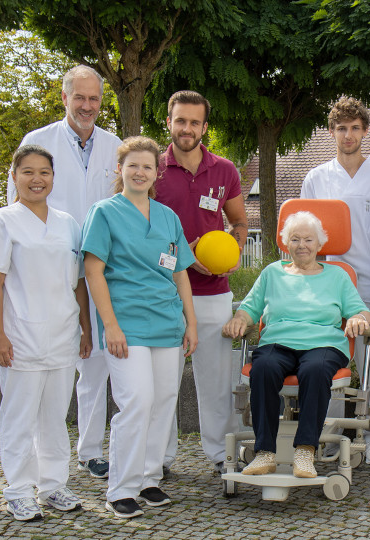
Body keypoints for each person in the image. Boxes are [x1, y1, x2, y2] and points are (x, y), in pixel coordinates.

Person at [12, 65, 122, 480]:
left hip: (100, 267)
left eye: (95, 99)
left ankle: (90, 450)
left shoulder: (114, 146)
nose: (88, 106)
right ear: (64, 98)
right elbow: (16, 209)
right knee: (53, 364)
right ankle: (41, 461)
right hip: (51, 268)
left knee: (95, 361)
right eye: (80, 97)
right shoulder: (36, 142)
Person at [0, 145, 91, 521]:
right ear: (14, 176)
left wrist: (86, 328)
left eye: (44, 172)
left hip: (61, 334)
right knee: (19, 418)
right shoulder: (2, 222)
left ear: (53, 178)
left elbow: (79, 283)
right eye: (27, 172)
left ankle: (53, 485)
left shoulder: (67, 222)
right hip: (20, 335)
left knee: (55, 417)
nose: (36, 179)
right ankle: (19, 490)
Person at [81, 136, 198, 519]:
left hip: (167, 321)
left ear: (156, 172)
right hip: (126, 323)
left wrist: (190, 322)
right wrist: (109, 325)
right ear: (120, 170)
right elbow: (93, 272)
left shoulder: (167, 217)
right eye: (132, 165)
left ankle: (149, 478)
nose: (140, 172)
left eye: (147, 166)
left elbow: (180, 273)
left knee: (164, 400)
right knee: (137, 401)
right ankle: (121, 487)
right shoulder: (104, 212)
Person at [223, 211, 370, 478]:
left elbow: (360, 311)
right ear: (285, 243)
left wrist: (359, 319)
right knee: (263, 368)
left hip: (323, 344)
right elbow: (249, 308)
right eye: (295, 239)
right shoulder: (272, 273)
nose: (302, 245)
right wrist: (239, 319)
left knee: (315, 370)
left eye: (308, 239)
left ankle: (305, 451)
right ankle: (265, 453)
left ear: (319, 244)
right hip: (278, 342)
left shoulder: (337, 276)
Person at [153, 90, 248, 475]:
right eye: (180, 120)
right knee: (162, 385)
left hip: (213, 293)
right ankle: (157, 460)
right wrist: (184, 255)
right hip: (163, 292)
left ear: (205, 126)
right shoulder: (150, 168)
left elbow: (240, 222)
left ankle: (220, 457)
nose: (187, 128)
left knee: (216, 383)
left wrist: (232, 251)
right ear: (169, 122)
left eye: (195, 122)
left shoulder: (225, 170)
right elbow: (137, 228)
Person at [300, 97, 370, 465]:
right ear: (332, 132)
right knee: (331, 367)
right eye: (341, 128)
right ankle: (330, 435)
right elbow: (304, 238)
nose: (348, 134)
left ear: (365, 131)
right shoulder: (317, 178)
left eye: (355, 127)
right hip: (330, 289)